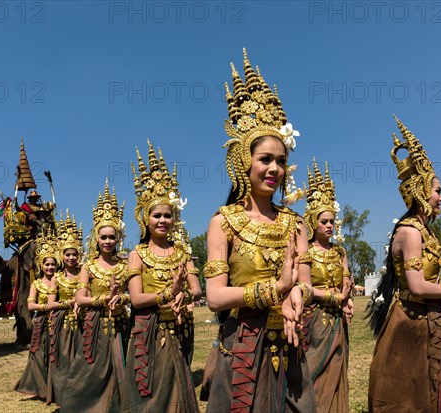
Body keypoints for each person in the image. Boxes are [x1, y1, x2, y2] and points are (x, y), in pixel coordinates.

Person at [203, 49, 315, 412]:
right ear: (243, 162)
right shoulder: (224, 222)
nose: (274, 169)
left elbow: (305, 281)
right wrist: (274, 290)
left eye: (281, 161)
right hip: (242, 348)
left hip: (290, 343)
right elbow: (216, 298)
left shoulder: (295, 223)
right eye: (265, 159)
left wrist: (297, 294)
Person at [367, 116, 441, 412]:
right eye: (437, 190)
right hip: (409, 326)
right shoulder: (409, 232)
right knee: (409, 398)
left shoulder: (425, 231)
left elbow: (429, 283)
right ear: (421, 191)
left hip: (430, 321)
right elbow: (418, 286)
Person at [123, 141, 202, 413]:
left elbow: (198, 290)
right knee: (151, 391)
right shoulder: (137, 254)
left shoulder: (182, 252)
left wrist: (184, 294)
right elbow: (136, 299)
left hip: (178, 327)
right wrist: (169, 293)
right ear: (145, 219)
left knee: (177, 387)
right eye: (156, 215)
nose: (162, 220)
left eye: (168, 215)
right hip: (147, 330)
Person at [60, 184, 129, 413]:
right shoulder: (88, 266)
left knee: (123, 366)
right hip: (96, 324)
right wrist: (103, 299)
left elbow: (132, 293)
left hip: (122, 324)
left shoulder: (125, 264)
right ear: (96, 239)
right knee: (92, 369)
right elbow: (80, 298)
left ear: (117, 238)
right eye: (103, 237)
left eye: (112, 237)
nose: (108, 241)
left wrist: (122, 298)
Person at [301, 159, 353, 412]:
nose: (330, 226)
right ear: (312, 222)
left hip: (338, 322)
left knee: (337, 371)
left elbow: (346, 281)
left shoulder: (339, 251)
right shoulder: (306, 252)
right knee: (313, 372)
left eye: (332, 221)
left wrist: (347, 298)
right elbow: (305, 288)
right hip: (314, 322)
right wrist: (335, 298)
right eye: (324, 222)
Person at [15, 231, 59, 401]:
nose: (50, 268)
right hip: (41, 322)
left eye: (53, 265)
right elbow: (30, 305)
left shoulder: (59, 280)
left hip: (57, 322)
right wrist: (46, 307)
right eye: (47, 264)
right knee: (39, 354)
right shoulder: (37, 283)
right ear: (41, 265)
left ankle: (55, 387)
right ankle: (40, 387)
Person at [46, 211, 83, 406]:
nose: (71, 257)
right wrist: (68, 303)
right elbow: (50, 304)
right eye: (67, 254)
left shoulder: (85, 274)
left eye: (74, 254)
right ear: (62, 256)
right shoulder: (57, 278)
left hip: (84, 323)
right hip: (65, 325)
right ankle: (64, 395)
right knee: (65, 359)